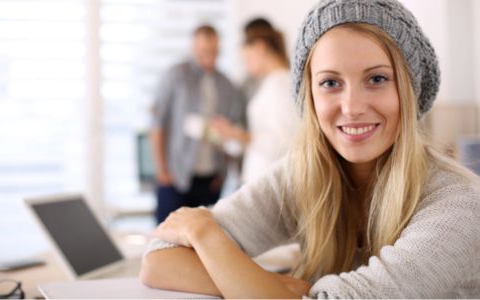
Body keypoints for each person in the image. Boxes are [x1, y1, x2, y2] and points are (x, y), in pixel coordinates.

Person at [141, 0, 480, 298]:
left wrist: (207, 234)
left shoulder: (460, 205)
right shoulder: (303, 174)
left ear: (408, 89)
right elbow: (159, 259)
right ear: (310, 97)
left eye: (377, 79)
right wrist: (279, 288)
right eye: (330, 83)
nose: (351, 107)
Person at [149, 24, 244, 224]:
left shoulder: (226, 84)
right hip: (176, 176)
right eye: (203, 51)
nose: (209, 56)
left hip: (210, 180)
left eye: (214, 51)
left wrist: (223, 173)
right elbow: (158, 123)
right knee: (167, 242)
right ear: (193, 48)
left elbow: (230, 131)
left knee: (202, 243)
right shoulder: (175, 75)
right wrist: (162, 170)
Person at [210, 19, 301, 183]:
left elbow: (286, 143)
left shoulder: (280, 85)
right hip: (262, 178)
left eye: (246, 58)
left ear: (259, 48)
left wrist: (238, 134)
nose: (246, 65)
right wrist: (232, 135)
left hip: (272, 181)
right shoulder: (270, 83)